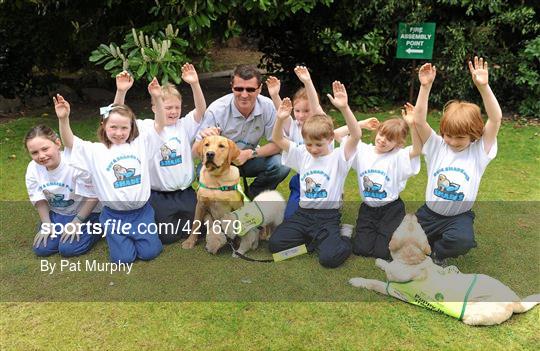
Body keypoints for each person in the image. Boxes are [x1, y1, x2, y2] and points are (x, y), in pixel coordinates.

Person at [54, 78, 166, 263]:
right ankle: (115, 237)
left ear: (132, 129)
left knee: (150, 253)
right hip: (115, 216)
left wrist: (158, 98)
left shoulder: (139, 144)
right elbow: (70, 142)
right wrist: (63, 119)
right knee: (123, 259)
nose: (119, 132)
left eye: (124, 128)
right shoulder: (95, 151)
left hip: (142, 212)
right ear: (104, 127)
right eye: (113, 127)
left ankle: (141, 239)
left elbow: (159, 125)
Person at [413, 57, 502, 265]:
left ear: (474, 135)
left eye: (460, 137)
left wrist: (484, 87)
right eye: (448, 135)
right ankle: (427, 240)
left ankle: (437, 253)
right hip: (428, 214)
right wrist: (425, 87)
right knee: (401, 244)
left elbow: (495, 118)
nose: (452, 142)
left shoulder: (479, 151)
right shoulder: (436, 146)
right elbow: (418, 120)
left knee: (461, 240)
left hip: (458, 218)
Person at [268, 80, 361, 268]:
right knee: (275, 244)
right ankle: (313, 242)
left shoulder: (339, 157)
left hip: (327, 217)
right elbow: (277, 139)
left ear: (330, 138)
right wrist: (280, 118)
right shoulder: (302, 153)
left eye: (318, 145)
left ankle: (343, 236)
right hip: (303, 215)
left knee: (328, 259)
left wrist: (344, 108)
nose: (313, 149)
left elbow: (356, 134)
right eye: (309, 144)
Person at [114, 64, 205, 244]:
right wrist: (121, 91)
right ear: (155, 108)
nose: (173, 112)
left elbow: (201, 110)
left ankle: (181, 219)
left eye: (177, 108)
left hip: (185, 191)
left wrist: (194, 83)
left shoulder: (184, 126)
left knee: (200, 231)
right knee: (167, 237)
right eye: (167, 107)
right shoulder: (146, 127)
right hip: (159, 194)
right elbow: (115, 115)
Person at [194, 64, 290, 199]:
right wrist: (205, 140)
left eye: (250, 89)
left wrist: (250, 154)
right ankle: (222, 203)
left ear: (260, 89)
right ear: (232, 87)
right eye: (239, 89)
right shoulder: (216, 110)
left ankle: (251, 198)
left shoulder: (268, 106)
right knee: (202, 172)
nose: (244, 95)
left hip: (249, 158)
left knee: (282, 164)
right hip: (220, 161)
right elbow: (194, 152)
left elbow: (280, 144)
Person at [349, 103, 422, 260]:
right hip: (368, 209)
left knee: (382, 253)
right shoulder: (363, 151)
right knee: (360, 249)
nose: (382, 140)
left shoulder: (398, 156)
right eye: (381, 134)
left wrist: (412, 124)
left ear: (398, 144)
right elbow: (335, 134)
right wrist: (360, 124)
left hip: (391, 209)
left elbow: (417, 149)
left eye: (390, 139)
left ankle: (404, 232)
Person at [25, 125, 100, 257]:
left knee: (68, 249)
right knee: (42, 249)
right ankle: (58, 228)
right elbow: (39, 199)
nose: (41, 156)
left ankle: (97, 229)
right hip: (58, 214)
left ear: (58, 143)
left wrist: (77, 222)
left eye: (45, 149)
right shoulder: (33, 168)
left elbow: (93, 195)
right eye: (34, 153)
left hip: (87, 214)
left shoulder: (74, 163)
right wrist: (47, 224)